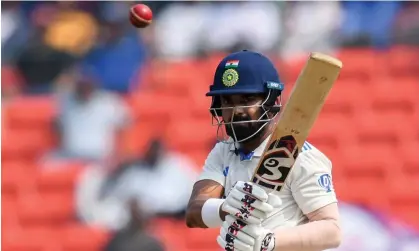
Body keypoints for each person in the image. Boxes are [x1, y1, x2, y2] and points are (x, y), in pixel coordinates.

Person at [185, 50, 341, 251]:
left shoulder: (300, 156)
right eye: (227, 102)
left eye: (246, 99)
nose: (237, 111)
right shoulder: (223, 152)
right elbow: (194, 213)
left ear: (272, 102)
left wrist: (269, 241)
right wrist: (225, 208)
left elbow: (332, 230)